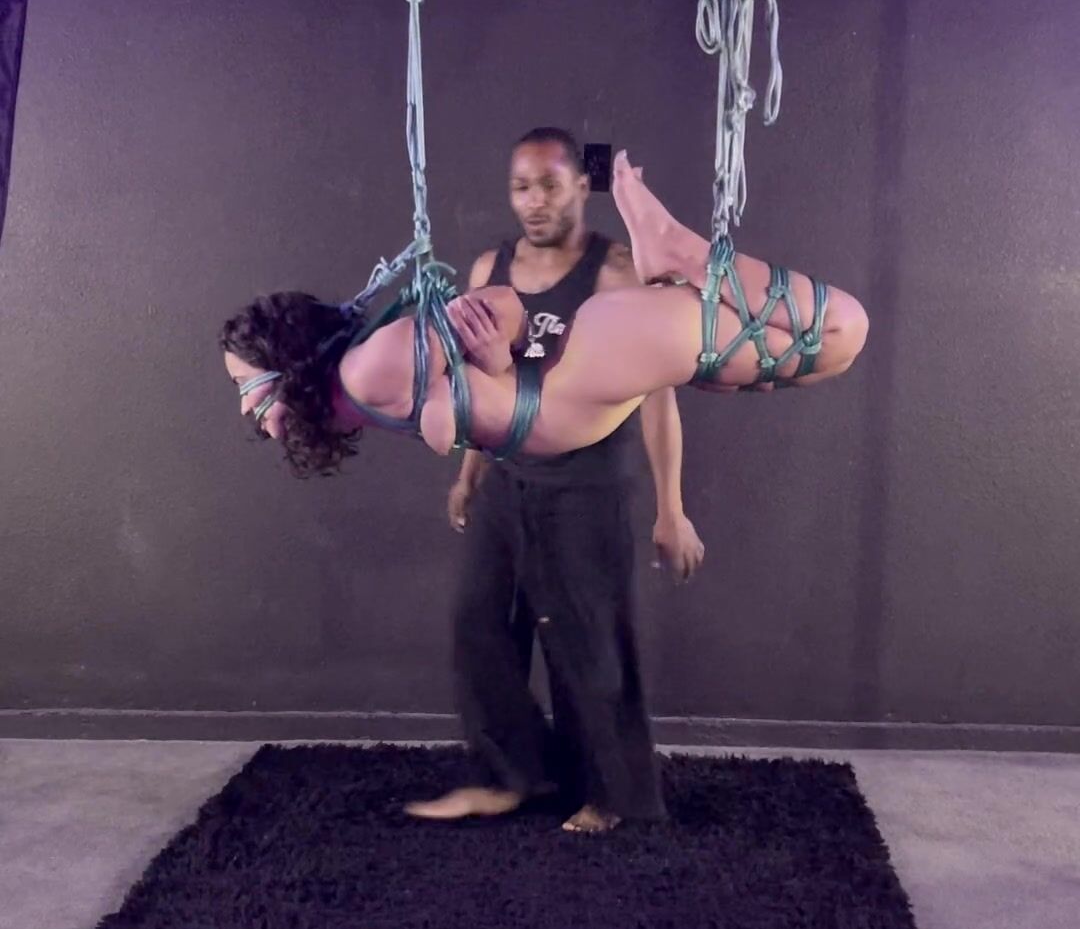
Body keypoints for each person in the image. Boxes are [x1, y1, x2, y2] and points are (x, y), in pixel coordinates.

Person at [222, 147, 869, 781]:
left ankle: (678, 251)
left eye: (247, 385)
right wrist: (490, 380)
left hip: (582, 383)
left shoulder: (373, 370)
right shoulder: (356, 390)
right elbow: (495, 352)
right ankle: (673, 263)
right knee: (808, 356)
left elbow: (505, 313)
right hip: (578, 393)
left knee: (839, 331)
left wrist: (496, 367)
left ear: (291, 364)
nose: (247, 407)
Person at [406, 128, 705, 835]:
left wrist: (672, 509)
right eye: (521, 186)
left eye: (548, 184)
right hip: (509, 478)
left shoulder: (615, 274)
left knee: (587, 639)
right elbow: (479, 386)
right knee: (477, 622)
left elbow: (658, 397)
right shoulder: (490, 269)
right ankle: (509, 776)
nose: (534, 200)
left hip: (587, 486)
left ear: (581, 187)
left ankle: (613, 793)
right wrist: (469, 474)